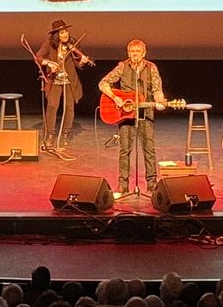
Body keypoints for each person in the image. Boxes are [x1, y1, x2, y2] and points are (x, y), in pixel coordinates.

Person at [99, 39, 167, 197]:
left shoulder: (151, 68)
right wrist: (115, 97)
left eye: (137, 52)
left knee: (149, 149)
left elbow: (157, 89)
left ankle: (152, 184)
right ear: (128, 53)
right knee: (125, 150)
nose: (134, 55)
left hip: (145, 112)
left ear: (144, 53)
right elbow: (103, 83)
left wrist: (160, 100)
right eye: (132, 52)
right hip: (126, 114)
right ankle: (123, 185)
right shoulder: (122, 66)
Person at [36, 19, 90, 151]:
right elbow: (38, 57)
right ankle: (50, 135)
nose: (65, 34)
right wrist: (49, 64)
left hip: (69, 80)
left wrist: (82, 61)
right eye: (62, 33)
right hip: (54, 80)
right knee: (52, 106)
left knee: (69, 107)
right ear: (56, 35)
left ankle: (66, 134)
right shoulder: (49, 44)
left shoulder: (73, 43)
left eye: (66, 31)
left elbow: (78, 64)